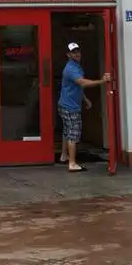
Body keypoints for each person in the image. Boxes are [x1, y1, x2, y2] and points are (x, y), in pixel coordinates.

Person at [58, 42, 110, 172]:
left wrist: (85, 99)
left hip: (65, 104)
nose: (77, 54)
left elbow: (77, 87)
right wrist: (102, 81)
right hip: (70, 107)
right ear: (68, 54)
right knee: (73, 134)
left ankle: (64, 156)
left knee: (67, 130)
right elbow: (82, 83)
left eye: (78, 51)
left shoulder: (76, 67)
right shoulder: (71, 69)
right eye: (74, 52)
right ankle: (72, 163)